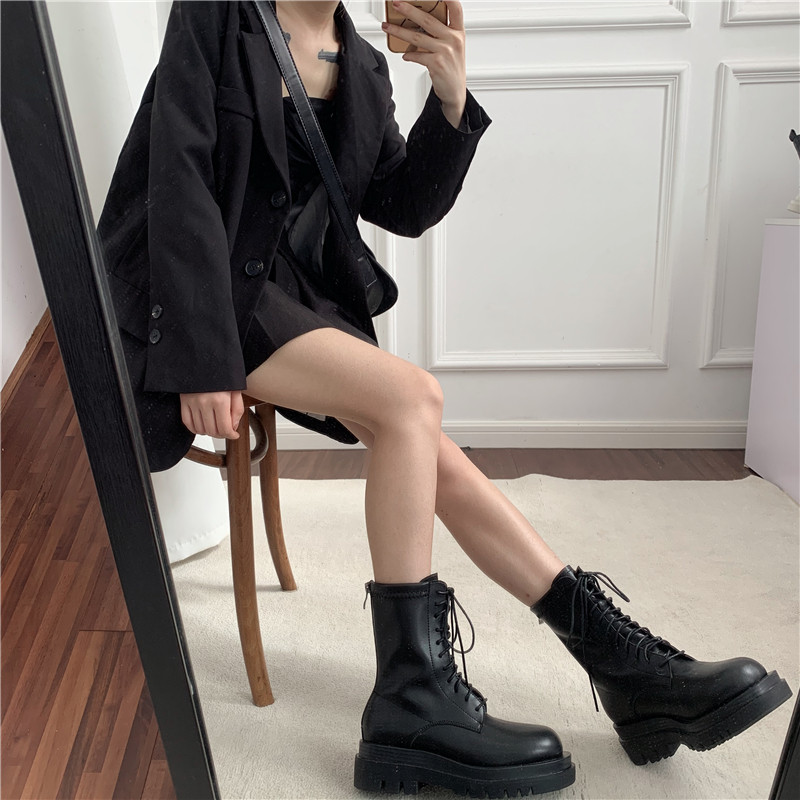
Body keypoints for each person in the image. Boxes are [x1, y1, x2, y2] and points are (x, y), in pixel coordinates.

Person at [97, 1, 792, 795]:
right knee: (412, 400)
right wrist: (200, 359)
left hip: (285, 298)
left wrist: (451, 98)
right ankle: (412, 698)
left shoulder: (362, 66)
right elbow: (179, 175)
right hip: (193, 293)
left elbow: (403, 205)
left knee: (425, 441)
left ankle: (623, 667)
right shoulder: (218, 15)